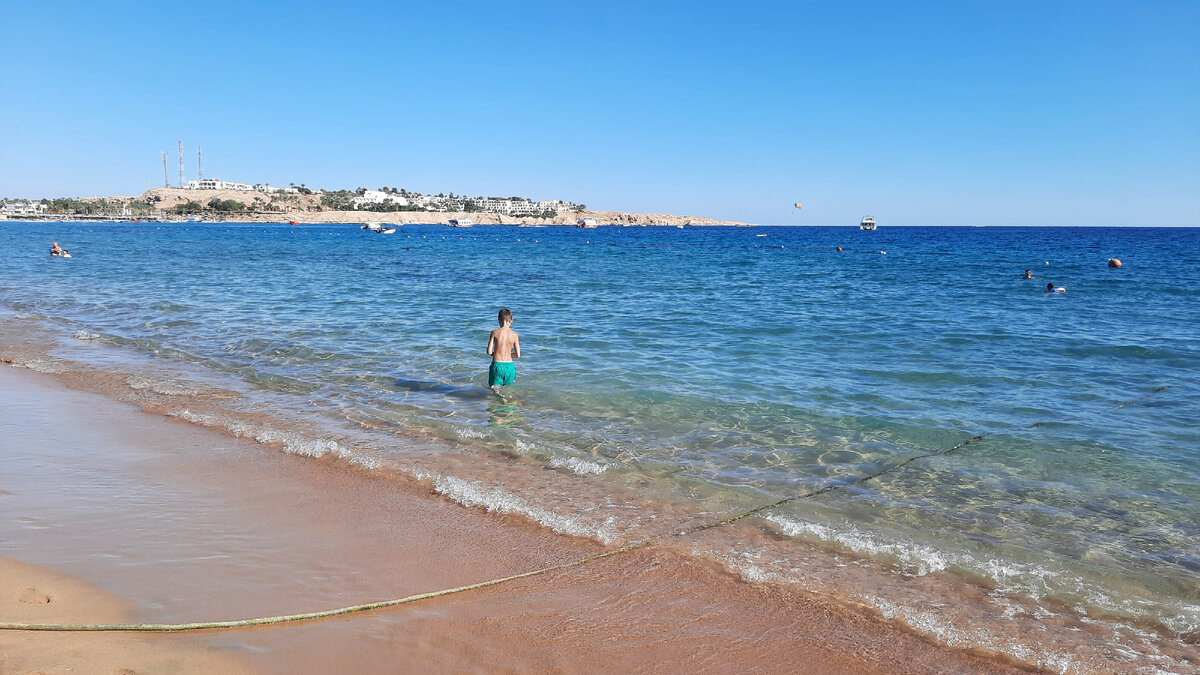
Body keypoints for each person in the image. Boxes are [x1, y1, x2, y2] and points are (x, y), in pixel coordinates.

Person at [486, 308, 520, 391]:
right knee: (509, 390)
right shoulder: (515, 335)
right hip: (510, 366)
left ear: (499, 320)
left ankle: (501, 400)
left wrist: (496, 353)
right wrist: (508, 355)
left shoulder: (495, 332)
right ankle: (510, 402)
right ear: (511, 320)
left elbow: (489, 351)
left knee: (495, 390)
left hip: (497, 365)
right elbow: (518, 355)